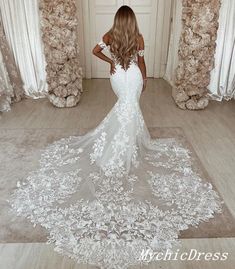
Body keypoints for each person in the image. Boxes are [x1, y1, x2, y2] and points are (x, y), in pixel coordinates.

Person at [10, 5, 223, 269]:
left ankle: (126, 142)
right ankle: (121, 148)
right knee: (129, 109)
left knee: (126, 110)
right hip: (131, 75)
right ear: (132, 21)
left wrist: (111, 62)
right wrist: (143, 79)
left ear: (117, 20)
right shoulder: (140, 38)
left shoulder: (110, 35)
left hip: (116, 77)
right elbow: (141, 62)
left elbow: (94, 50)